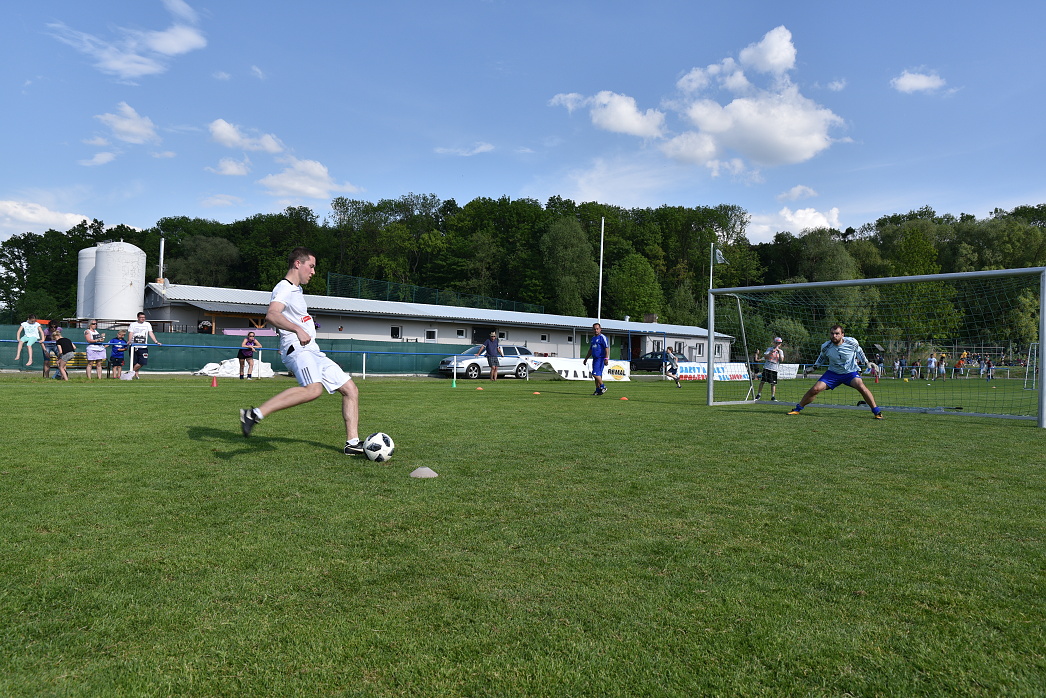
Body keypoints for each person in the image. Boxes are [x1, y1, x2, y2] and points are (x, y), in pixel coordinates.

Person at [239, 247, 364, 455]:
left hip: (312, 351)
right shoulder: (284, 288)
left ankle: (352, 443)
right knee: (313, 390)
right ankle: (254, 414)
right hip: (298, 349)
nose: (313, 272)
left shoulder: (296, 291)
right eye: (311, 266)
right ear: (298, 264)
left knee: (350, 389)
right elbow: (272, 315)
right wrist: (297, 329)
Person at [788, 325, 883, 419]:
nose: (834, 336)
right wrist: (814, 367)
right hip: (833, 373)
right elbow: (822, 357)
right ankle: (797, 409)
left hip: (850, 373)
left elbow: (859, 351)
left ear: (842, 334)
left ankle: (877, 412)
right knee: (815, 389)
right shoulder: (826, 346)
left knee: (861, 386)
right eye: (832, 333)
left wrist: (867, 362)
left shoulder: (852, 342)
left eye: (837, 333)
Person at [127, 312, 162, 379]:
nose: (143, 319)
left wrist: (156, 341)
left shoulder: (147, 324)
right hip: (134, 346)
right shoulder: (133, 324)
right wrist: (129, 341)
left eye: (144, 317)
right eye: (141, 317)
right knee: (134, 362)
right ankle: (136, 376)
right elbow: (131, 333)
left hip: (143, 347)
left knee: (142, 362)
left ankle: (130, 373)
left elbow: (151, 333)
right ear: (138, 317)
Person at [582, 322, 610, 396]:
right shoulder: (593, 339)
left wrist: (606, 358)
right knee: (597, 376)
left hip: (600, 359)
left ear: (600, 329)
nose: (596, 330)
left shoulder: (602, 337)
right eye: (594, 329)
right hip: (595, 359)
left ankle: (603, 387)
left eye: (597, 329)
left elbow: (607, 348)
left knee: (595, 374)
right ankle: (598, 390)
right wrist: (586, 359)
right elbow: (590, 350)